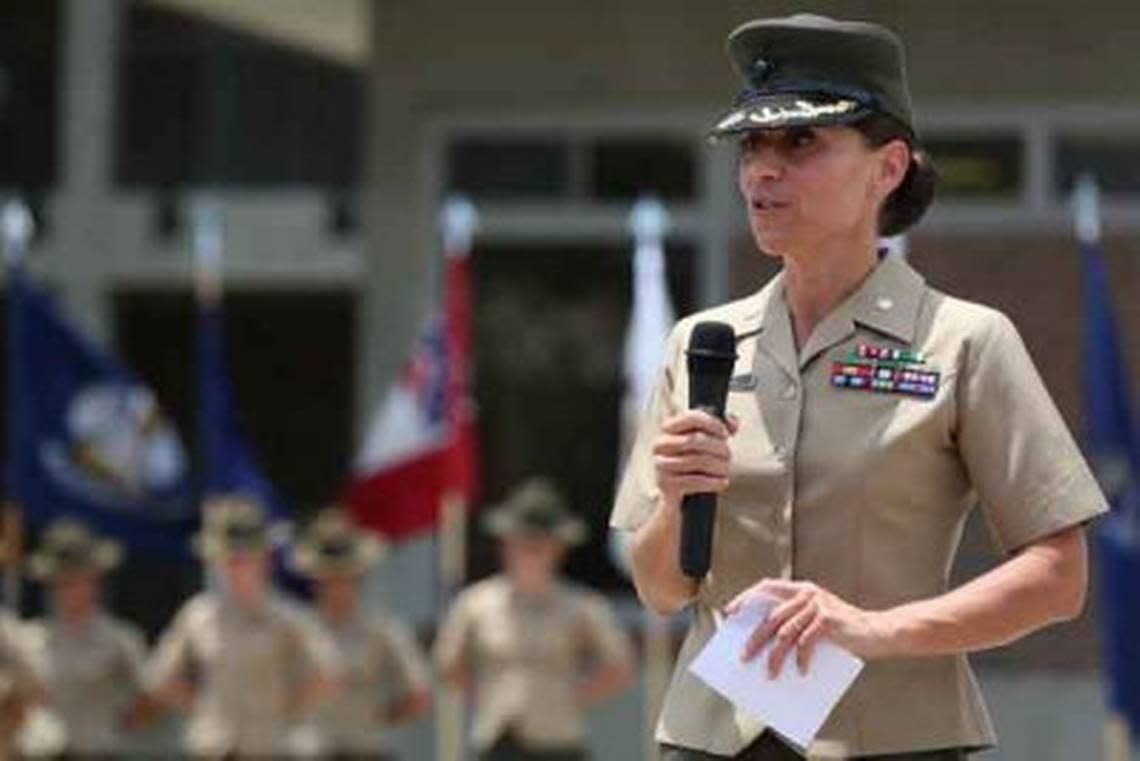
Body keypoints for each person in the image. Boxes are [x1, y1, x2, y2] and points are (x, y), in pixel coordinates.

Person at [610, 14, 1108, 761]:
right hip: (711, 739)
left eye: (800, 143)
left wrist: (873, 630)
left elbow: (1059, 577)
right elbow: (660, 590)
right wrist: (679, 496)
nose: (762, 171)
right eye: (752, 146)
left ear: (890, 166)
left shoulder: (963, 340)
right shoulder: (700, 345)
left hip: (894, 738)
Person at [435, 477, 635, 761]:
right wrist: (487, 697)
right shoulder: (476, 604)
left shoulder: (583, 606)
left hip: (560, 741)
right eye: (522, 543)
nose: (530, 552)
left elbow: (619, 667)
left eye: (539, 544)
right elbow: (448, 665)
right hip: (498, 741)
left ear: (559, 548)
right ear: (506, 546)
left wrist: (573, 696)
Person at [143, 496, 339, 759]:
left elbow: (326, 674)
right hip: (218, 749)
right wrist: (205, 709)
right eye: (230, 560)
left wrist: (286, 711)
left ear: (265, 561)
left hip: (273, 748)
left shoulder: (289, 618)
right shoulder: (198, 616)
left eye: (246, 559)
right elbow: (160, 678)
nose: (237, 569)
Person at [292, 508, 430, 760]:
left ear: (358, 577)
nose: (337, 586)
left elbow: (419, 694)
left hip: (366, 749)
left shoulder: (382, 631)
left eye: (344, 576)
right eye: (329, 577)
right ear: (316, 579)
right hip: (310, 750)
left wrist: (383, 717)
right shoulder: (294, 630)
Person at [21, 518, 147, 757]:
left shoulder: (120, 640)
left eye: (78, 579)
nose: (70, 590)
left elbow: (147, 701)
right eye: (62, 582)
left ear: (95, 581)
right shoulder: (27, 639)